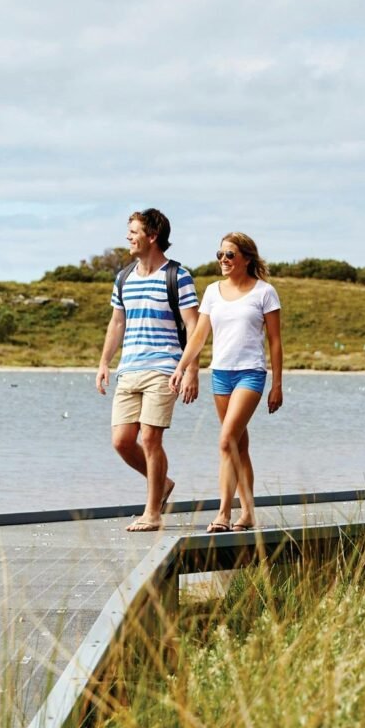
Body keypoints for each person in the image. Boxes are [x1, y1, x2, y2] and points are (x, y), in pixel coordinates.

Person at [95, 208, 199, 532]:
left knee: (152, 438)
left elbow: (194, 326)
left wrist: (191, 370)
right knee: (122, 441)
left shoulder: (178, 276)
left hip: (165, 367)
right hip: (130, 369)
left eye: (134, 232)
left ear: (152, 236)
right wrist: (104, 363)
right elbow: (117, 323)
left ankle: (152, 512)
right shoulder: (123, 278)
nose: (128, 237)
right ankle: (163, 484)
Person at [171, 231, 282, 532]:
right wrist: (181, 368)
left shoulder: (264, 292)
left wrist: (277, 384)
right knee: (239, 445)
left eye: (230, 255)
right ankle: (247, 513)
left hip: (251, 374)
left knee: (225, 441)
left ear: (246, 258)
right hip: (221, 375)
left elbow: (274, 342)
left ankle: (223, 513)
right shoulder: (212, 292)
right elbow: (199, 336)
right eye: (219, 254)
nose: (223, 260)